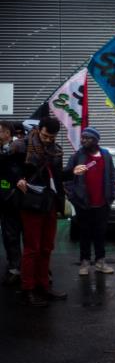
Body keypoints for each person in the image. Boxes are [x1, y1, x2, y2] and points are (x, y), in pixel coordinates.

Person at [16, 117, 67, 306]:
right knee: (32, 249)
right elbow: (6, 166)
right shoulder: (21, 145)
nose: (48, 140)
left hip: (49, 202)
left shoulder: (56, 149)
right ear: (39, 129)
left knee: (46, 248)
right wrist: (17, 178)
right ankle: (28, 289)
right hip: (30, 201)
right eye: (45, 135)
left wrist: (73, 172)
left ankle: (43, 286)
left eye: (51, 137)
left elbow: (59, 176)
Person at [64, 127, 115, 276]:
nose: (84, 140)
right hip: (83, 203)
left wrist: (110, 196)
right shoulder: (77, 156)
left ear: (96, 140)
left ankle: (100, 262)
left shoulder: (105, 155)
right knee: (84, 233)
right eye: (83, 138)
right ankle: (85, 262)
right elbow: (68, 177)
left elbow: (111, 176)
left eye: (87, 138)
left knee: (100, 233)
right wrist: (73, 196)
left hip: (102, 203)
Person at [0, 120, 24, 286]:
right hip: (3, 198)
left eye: (0, 131)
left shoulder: (18, 149)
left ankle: (19, 268)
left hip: (16, 198)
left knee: (17, 233)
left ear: (8, 133)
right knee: (8, 235)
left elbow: (18, 171)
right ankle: (13, 265)